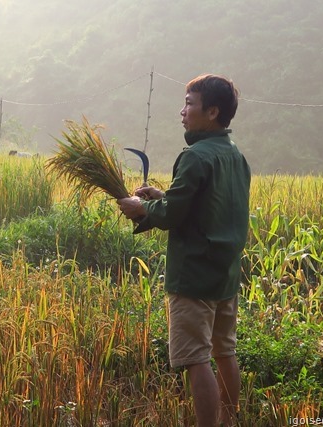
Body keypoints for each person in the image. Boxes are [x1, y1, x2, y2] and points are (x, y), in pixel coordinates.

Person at [117, 74, 251, 427]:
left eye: (189, 104)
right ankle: (230, 421)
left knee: (196, 358)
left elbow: (174, 215)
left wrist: (142, 208)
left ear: (212, 112)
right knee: (225, 351)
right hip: (225, 274)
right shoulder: (234, 155)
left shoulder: (194, 156)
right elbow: (207, 206)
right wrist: (163, 197)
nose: (182, 112)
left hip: (194, 274)